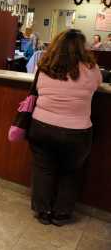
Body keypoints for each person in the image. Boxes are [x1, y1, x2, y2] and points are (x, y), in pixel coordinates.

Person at [28, 29, 102, 226]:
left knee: (43, 170)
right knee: (71, 172)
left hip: (41, 126)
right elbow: (98, 85)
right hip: (77, 132)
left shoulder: (44, 66)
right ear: (82, 47)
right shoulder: (91, 69)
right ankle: (61, 214)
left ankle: (43, 212)